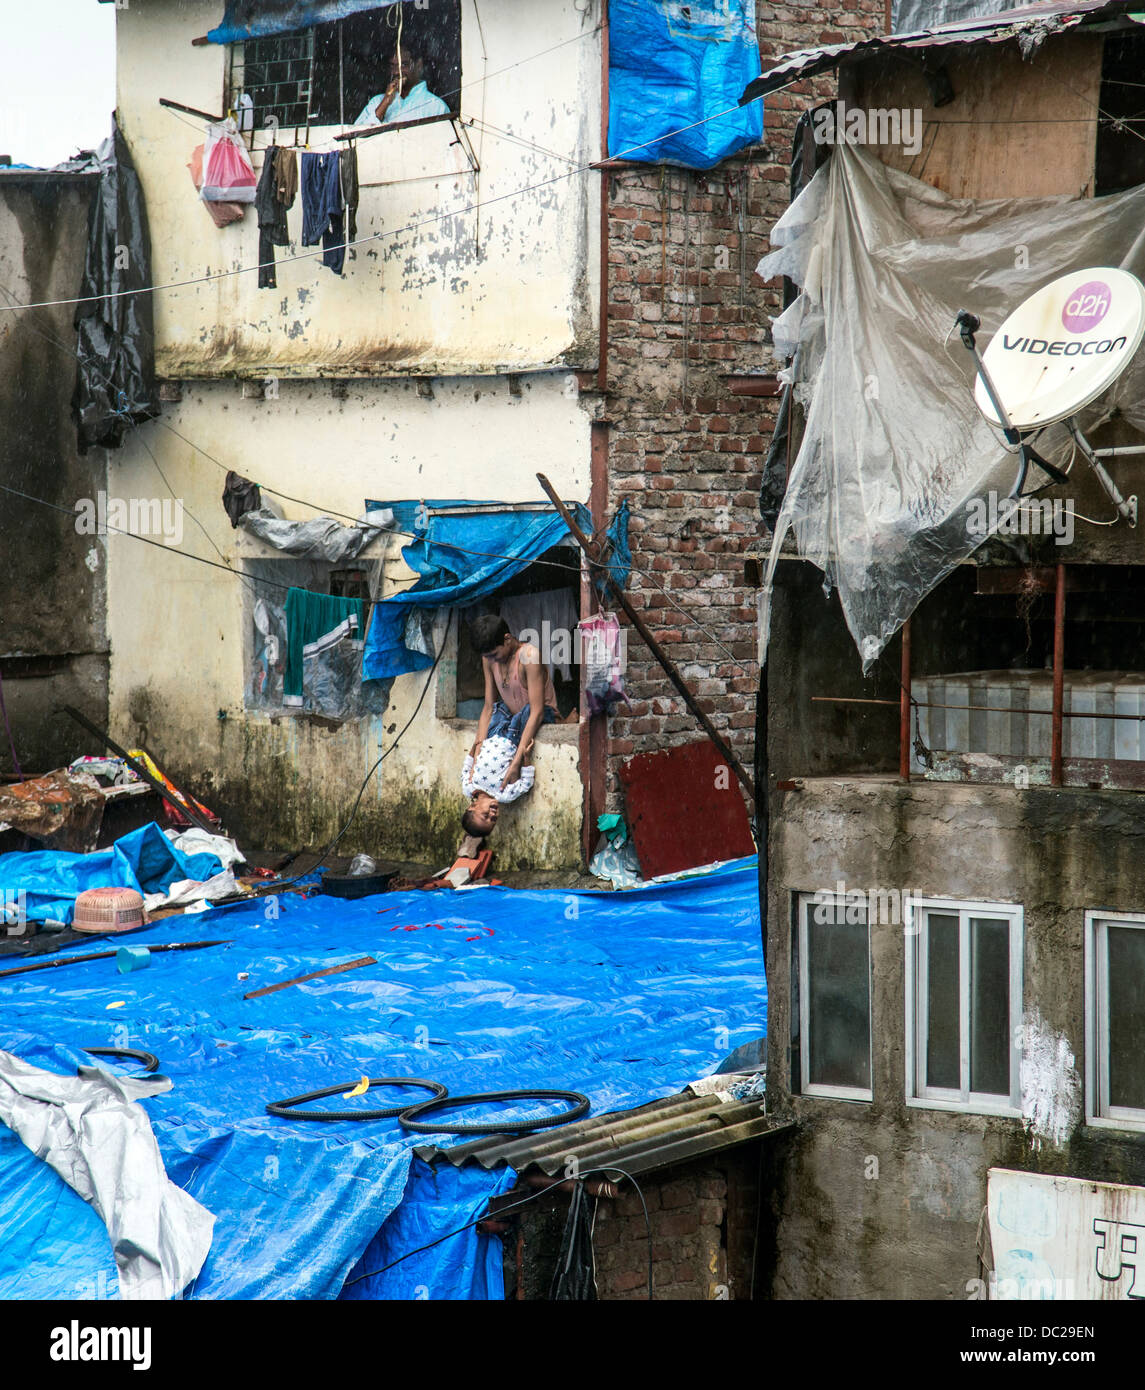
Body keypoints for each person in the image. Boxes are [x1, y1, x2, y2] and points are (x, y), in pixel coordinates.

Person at [471, 614, 559, 796]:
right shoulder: (489, 659)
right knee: (498, 714)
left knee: (522, 715)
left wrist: (517, 761)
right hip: (513, 722)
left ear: (507, 639)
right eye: (489, 657)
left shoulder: (529, 656)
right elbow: (488, 707)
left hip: (540, 716)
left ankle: (563, 720)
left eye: (495, 654)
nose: (493, 660)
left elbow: (537, 712)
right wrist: (476, 757)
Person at [353, 46, 450, 128]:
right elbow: (356, 138)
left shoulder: (436, 106)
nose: (396, 72)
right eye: (393, 66)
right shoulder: (377, 102)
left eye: (403, 65)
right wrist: (385, 103)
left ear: (419, 65)